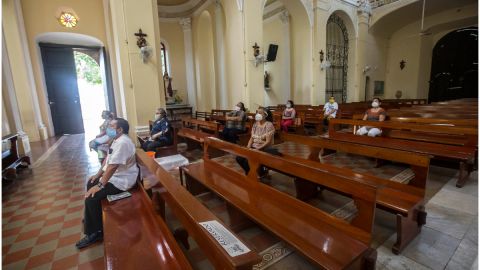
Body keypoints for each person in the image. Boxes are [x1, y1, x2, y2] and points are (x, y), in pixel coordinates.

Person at [76, 118, 138, 249]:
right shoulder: (116, 140)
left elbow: (113, 166)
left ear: (120, 129)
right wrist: (98, 175)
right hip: (114, 177)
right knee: (90, 182)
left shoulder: (123, 143)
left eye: (111, 126)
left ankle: (96, 232)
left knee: (92, 197)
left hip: (122, 180)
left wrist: (100, 186)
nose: (108, 128)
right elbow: (107, 160)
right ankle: (93, 218)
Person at [236, 107, 278, 176]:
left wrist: (257, 149)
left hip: (264, 149)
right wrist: (248, 148)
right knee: (239, 158)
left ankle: (254, 173)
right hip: (254, 148)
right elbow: (251, 138)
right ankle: (251, 173)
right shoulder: (255, 124)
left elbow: (268, 142)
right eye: (257, 112)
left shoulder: (269, 125)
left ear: (265, 115)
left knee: (248, 161)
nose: (257, 114)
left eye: (260, 113)